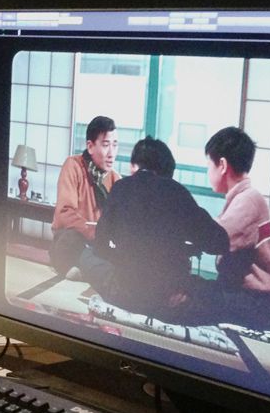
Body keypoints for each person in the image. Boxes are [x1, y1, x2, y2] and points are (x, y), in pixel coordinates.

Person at [93, 136, 228, 321]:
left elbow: (100, 245)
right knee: (217, 294)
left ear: (136, 164)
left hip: (124, 292)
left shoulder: (120, 188)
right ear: (167, 170)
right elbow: (219, 242)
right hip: (167, 298)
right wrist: (185, 246)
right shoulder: (175, 192)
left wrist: (124, 258)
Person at [199, 125, 270, 330]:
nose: (208, 172)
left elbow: (215, 237)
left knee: (190, 296)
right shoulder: (243, 198)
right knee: (194, 288)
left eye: (209, 165)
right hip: (252, 299)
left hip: (257, 303)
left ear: (222, 165)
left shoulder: (249, 200)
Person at [49, 114, 119, 281]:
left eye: (115, 145)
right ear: (90, 146)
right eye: (106, 145)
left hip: (100, 244)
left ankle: (89, 268)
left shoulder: (116, 179)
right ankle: (84, 268)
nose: (111, 153)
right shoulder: (73, 165)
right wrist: (93, 232)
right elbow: (64, 213)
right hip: (75, 238)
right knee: (70, 239)